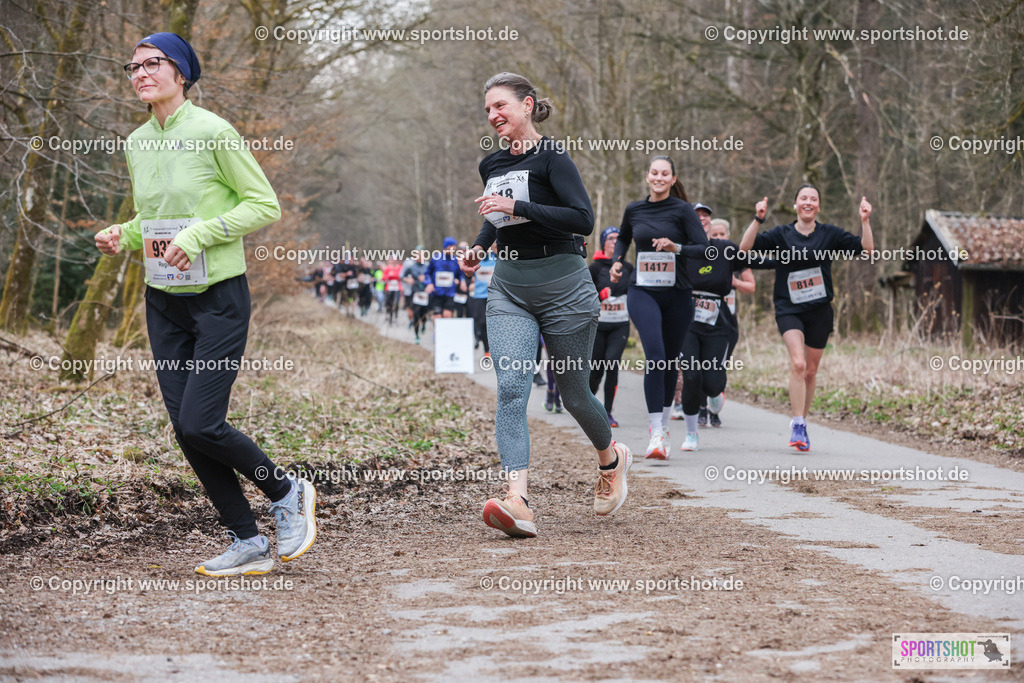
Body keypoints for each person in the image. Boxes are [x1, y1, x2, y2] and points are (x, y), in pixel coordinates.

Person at [95, 32, 315, 575]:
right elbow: (154, 219)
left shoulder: (214, 131)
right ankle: (247, 539)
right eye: (133, 67)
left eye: (152, 63)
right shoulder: (137, 142)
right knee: (185, 428)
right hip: (163, 300)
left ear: (181, 73)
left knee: (200, 423)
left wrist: (199, 235)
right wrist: (124, 233)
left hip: (219, 298)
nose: (140, 73)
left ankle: (285, 491)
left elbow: (263, 204)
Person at [460, 72, 631, 538]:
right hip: (510, 289)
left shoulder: (554, 157)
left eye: (500, 105)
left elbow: (582, 219)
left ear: (527, 105)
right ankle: (517, 499)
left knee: (574, 394)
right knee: (512, 388)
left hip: (566, 289)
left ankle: (611, 460)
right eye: (488, 109)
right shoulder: (491, 164)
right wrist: (479, 248)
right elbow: (496, 219)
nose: (493, 115)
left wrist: (517, 207)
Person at [739, 185, 873, 451]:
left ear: (818, 206)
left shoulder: (829, 234)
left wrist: (865, 221)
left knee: (811, 372)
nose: (808, 202)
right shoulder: (781, 234)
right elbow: (745, 248)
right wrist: (758, 219)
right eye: (803, 198)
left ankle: (803, 420)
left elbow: (867, 250)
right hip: (788, 307)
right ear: (795, 204)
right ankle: (797, 423)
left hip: (819, 310)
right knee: (798, 364)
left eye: (813, 199)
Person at [610, 156, 709, 460]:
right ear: (647, 176)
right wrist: (617, 261)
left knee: (668, 361)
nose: (659, 177)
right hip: (642, 291)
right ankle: (655, 432)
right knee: (655, 356)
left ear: (673, 179)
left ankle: (663, 427)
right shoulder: (634, 209)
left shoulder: (683, 210)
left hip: (677, 294)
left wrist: (675, 247)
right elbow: (624, 238)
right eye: (654, 172)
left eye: (665, 173)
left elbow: (704, 249)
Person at [678, 218, 755, 451]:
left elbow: (751, 283)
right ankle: (692, 430)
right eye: (715, 234)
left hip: (722, 322)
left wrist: (733, 281)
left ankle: (714, 393)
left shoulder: (731, 254)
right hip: (690, 322)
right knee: (692, 375)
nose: (719, 238)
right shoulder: (693, 253)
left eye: (723, 234)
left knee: (712, 380)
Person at [589, 226, 632, 428]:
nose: (615, 242)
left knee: (612, 363)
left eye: (618, 238)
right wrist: (600, 295)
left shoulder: (629, 268)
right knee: (596, 370)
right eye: (610, 238)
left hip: (620, 326)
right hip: (599, 326)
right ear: (603, 243)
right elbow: (585, 295)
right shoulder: (595, 268)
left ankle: (607, 412)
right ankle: (588, 406)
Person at [424, 237, 466, 319]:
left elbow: (460, 274)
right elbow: (427, 273)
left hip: (450, 293)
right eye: (450, 246)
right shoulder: (436, 258)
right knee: (437, 317)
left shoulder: (456, 260)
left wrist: (462, 281)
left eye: (454, 246)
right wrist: (429, 283)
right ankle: (436, 327)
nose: (453, 248)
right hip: (437, 293)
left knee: (447, 315)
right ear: (445, 246)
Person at [468, 244, 497, 355]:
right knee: (482, 323)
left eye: (488, 248)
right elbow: (467, 276)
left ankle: (493, 347)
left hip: (493, 296)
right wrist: (470, 284)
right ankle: (486, 350)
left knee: (493, 324)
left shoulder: (496, 260)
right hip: (479, 296)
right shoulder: (475, 261)